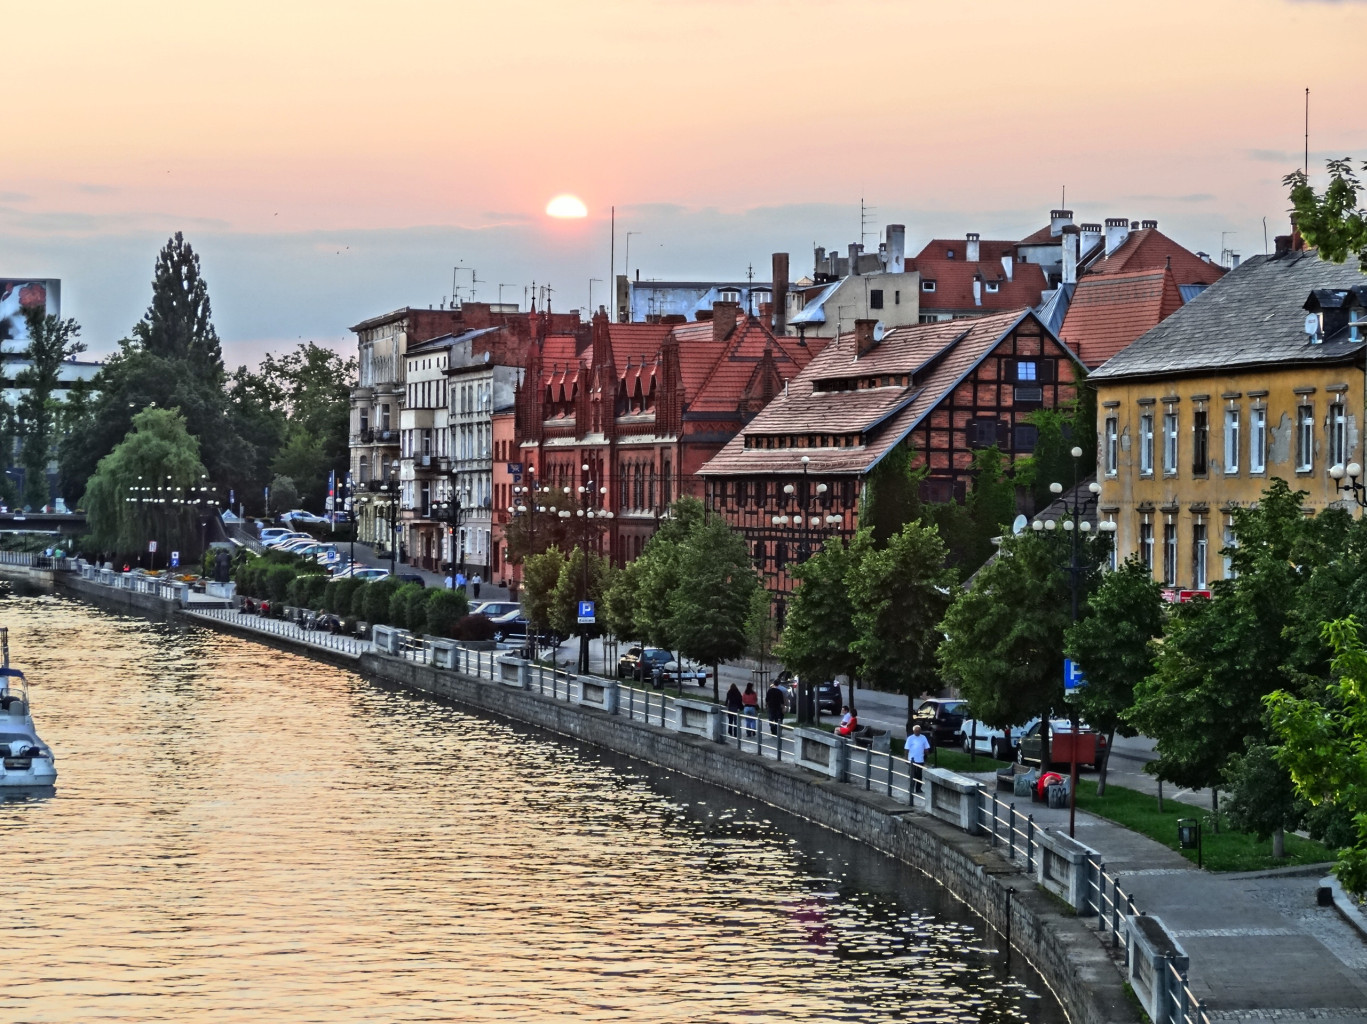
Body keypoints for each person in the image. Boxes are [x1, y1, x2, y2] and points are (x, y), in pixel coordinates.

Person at [905, 724, 932, 794]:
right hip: (912, 760)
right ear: (914, 731)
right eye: (916, 731)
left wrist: (927, 755)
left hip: (920, 760)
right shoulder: (910, 738)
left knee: (919, 775)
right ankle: (911, 788)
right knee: (912, 775)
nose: (917, 732)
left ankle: (918, 789)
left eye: (919, 731)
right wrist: (906, 759)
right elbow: (906, 749)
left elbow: (926, 748)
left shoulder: (923, 738)